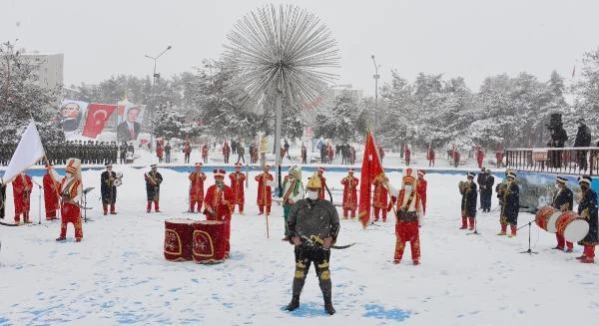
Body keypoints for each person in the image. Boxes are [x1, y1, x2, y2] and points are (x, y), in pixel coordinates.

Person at [285, 173, 340, 315]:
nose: (312, 192)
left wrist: (331, 239)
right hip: (302, 248)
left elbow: (335, 224)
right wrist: (293, 237)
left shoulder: (327, 206)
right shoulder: (299, 205)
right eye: (310, 189)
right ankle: (295, 300)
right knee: (299, 275)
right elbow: (290, 222)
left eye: (315, 190)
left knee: (324, 276)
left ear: (320, 191)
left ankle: (328, 303)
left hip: (321, 249)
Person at [390, 168, 423, 265]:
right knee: (400, 240)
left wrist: (421, 221)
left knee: (415, 241)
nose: (408, 186)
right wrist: (386, 182)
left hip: (412, 220)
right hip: (402, 221)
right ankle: (397, 257)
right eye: (406, 184)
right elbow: (391, 190)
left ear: (413, 184)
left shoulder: (416, 195)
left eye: (410, 184)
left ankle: (416, 258)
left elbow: (420, 210)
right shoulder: (400, 193)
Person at [203, 169, 234, 258]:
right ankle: (213, 249)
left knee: (224, 232)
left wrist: (226, 202)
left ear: (223, 178)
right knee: (212, 232)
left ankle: (224, 250)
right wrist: (209, 208)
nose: (218, 179)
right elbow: (206, 200)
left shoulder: (227, 189)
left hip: (223, 215)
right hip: (212, 215)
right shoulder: (210, 188)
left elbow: (232, 201)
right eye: (217, 177)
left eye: (220, 178)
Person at [56, 158, 83, 242]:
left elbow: (80, 194)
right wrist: (50, 169)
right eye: (67, 172)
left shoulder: (78, 182)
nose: (67, 174)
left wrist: (74, 200)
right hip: (65, 204)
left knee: (76, 221)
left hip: (73, 205)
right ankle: (62, 235)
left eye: (69, 172)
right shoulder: (63, 180)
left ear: (73, 173)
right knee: (63, 221)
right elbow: (56, 177)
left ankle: (78, 236)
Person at [576, 175, 598, 263]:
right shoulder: (584, 193)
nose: (582, 185)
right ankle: (585, 254)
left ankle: (590, 256)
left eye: (584, 184)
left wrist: (586, 212)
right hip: (584, 220)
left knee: (590, 238)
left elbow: (594, 206)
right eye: (581, 184)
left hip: (591, 220)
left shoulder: (592, 193)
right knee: (585, 236)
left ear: (588, 184)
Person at [552, 176, 574, 252]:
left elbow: (569, 203)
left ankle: (570, 247)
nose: (556, 183)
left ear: (561, 183)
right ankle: (560, 245)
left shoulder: (568, 192)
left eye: (557, 182)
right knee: (558, 229)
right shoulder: (557, 191)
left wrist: (564, 207)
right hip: (557, 213)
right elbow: (555, 201)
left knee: (566, 230)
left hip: (565, 214)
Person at [281, 166, 304, 240]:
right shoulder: (286, 182)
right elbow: (283, 190)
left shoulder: (298, 183)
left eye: (291, 175)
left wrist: (293, 199)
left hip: (294, 204)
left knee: (294, 220)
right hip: (286, 203)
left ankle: (295, 235)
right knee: (286, 219)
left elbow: (301, 193)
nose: (290, 176)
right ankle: (288, 234)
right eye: (289, 174)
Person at [498, 171, 519, 237]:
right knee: (503, 218)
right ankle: (503, 231)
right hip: (505, 205)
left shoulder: (515, 186)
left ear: (513, 179)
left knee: (512, 219)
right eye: (508, 178)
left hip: (512, 205)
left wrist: (508, 193)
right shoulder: (505, 185)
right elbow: (501, 195)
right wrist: (500, 193)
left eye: (510, 178)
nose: (508, 179)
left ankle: (513, 232)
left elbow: (514, 195)